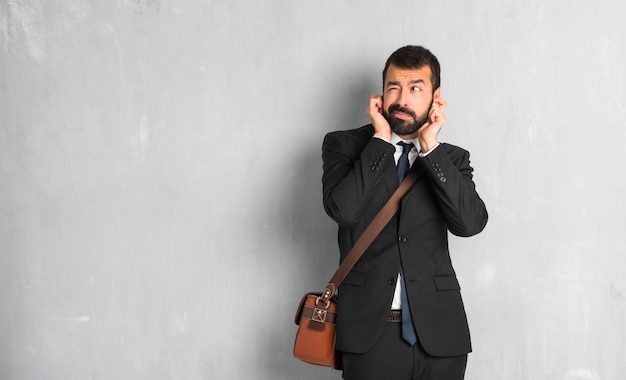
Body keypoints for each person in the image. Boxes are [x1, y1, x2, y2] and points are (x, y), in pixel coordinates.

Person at [321, 45, 488, 380]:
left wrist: (431, 148)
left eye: (415, 88)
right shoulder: (345, 146)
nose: (403, 98)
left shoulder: (451, 159)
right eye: (393, 87)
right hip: (370, 333)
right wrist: (381, 141)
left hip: (440, 334)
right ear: (381, 94)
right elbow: (343, 211)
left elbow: (470, 223)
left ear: (435, 97)